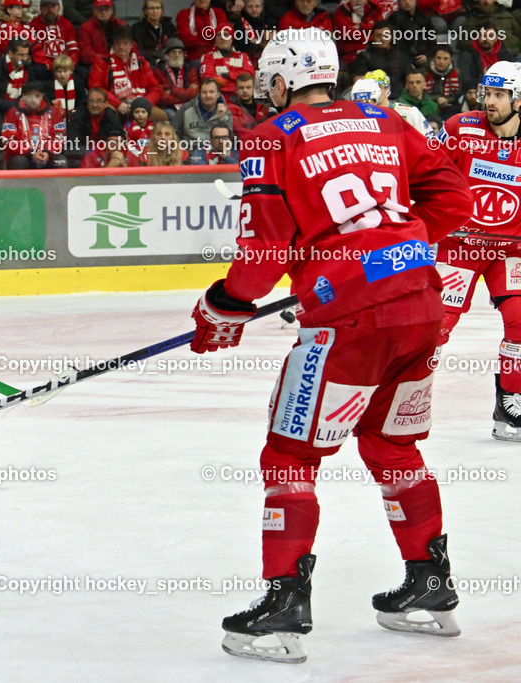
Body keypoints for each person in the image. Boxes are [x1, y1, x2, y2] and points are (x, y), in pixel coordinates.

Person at [193, 28, 472, 664]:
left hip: (350, 321)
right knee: (392, 442)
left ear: (285, 79)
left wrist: (225, 306)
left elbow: (264, 250)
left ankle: (284, 608)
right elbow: (455, 200)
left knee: (289, 453)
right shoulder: (385, 119)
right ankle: (430, 587)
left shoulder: (273, 136)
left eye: (270, 80)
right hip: (423, 307)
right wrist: (382, 259)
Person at [435, 62, 521, 441]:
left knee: (520, 322)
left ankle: (510, 401)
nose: (489, 101)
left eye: (499, 95)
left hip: (510, 249)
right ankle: (395, 394)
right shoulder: (460, 129)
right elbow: (425, 174)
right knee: (435, 326)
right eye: (487, 93)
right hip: (460, 245)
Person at [0, 82, 67, 168]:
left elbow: (60, 137)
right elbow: (8, 140)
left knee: (60, 161)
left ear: (42, 96)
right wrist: (30, 152)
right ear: (23, 97)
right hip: (23, 156)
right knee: (18, 162)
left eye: (37, 96)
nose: (33, 100)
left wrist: (47, 152)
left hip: (47, 155)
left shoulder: (53, 112)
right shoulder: (13, 113)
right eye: (29, 96)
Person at [357, 69, 436, 139]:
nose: (375, 92)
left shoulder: (410, 112)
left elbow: (430, 143)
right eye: (370, 89)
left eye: (379, 88)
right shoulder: (359, 117)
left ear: (387, 89)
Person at [29, 0, 80, 83]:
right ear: (40, 8)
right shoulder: (34, 25)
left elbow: (73, 49)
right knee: (36, 70)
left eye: (53, 6)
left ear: (59, 7)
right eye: (46, 6)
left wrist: (70, 65)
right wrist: (52, 66)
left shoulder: (67, 24)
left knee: (81, 72)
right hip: (46, 67)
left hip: (65, 65)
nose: (49, 9)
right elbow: (36, 50)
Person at [198, 24, 254, 98]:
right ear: (215, 39)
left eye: (226, 35)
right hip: (218, 97)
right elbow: (208, 79)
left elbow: (249, 74)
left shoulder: (243, 56)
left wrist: (228, 75)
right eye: (219, 35)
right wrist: (235, 81)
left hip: (241, 97)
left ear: (232, 38)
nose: (223, 38)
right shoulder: (207, 57)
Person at [175, 77, 232, 146]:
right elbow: (173, 131)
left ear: (218, 94)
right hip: (189, 151)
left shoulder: (226, 113)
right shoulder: (186, 108)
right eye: (204, 92)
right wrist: (182, 149)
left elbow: (230, 140)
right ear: (199, 94)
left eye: (211, 92)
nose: (208, 96)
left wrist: (222, 120)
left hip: (213, 153)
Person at [155, 37, 199, 115]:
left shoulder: (190, 68)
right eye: (173, 52)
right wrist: (185, 97)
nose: (177, 55)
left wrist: (172, 91)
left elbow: (194, 93)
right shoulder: (159, 71)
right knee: (172, 115)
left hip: (188, 106)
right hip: (168, 107)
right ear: (167, 55)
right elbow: (161, 96)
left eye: (180, 52)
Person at [77, 0, 125, 68]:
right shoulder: (85, 28)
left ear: (112, 10)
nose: (104, 12)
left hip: (119, 61)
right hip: (97, 65)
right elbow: (86, 55)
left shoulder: (121, 25)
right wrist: (107, 59)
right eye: (100, 9)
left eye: (107, 9)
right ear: (94, 10)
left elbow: (131, 46)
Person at [130, 0, 175, 65]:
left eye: (158, 8)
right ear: (145, 11)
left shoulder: (169, 27)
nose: (155, 11)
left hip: (167, 61)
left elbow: (175, 47)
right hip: (147, 63)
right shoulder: (137, 28)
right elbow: (139, 51)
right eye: (151, 8)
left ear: (162, 10)